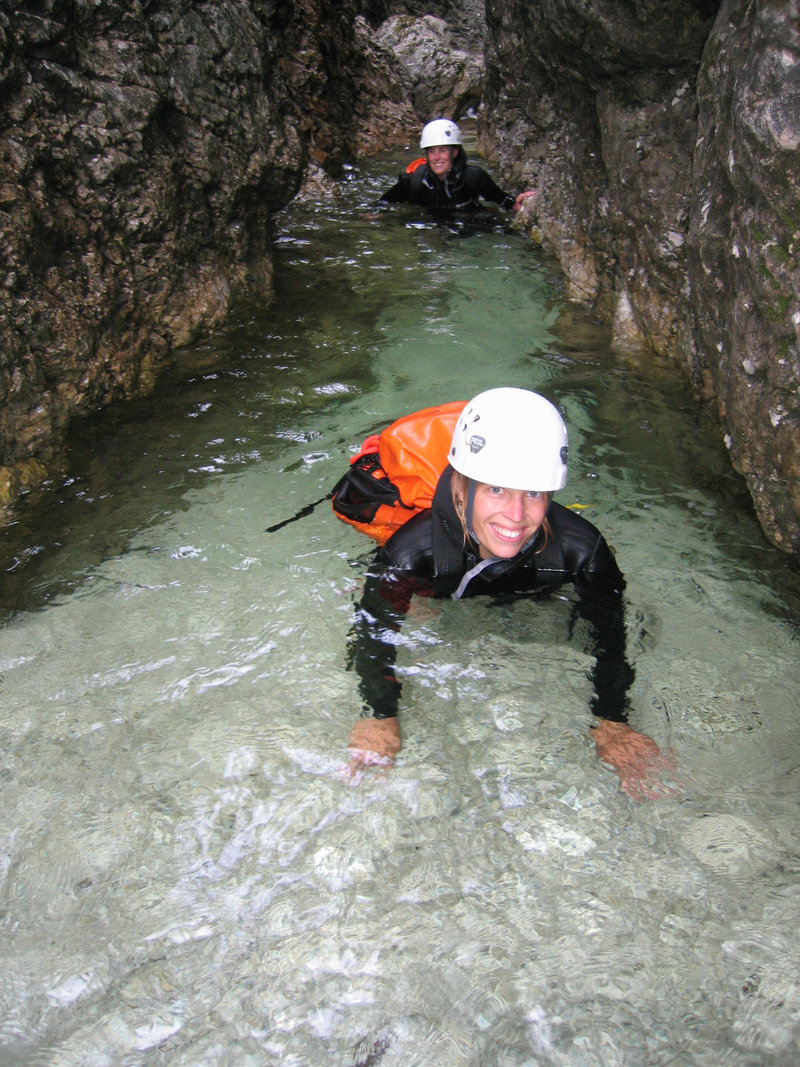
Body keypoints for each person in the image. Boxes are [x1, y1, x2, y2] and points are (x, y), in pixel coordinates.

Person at [346, 387, 675, 801]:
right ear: (462, 488)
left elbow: (610, 638)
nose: (516, 516)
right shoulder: (413, 555)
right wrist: (380, 714)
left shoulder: (581, 550)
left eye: (533, 492)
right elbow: (373, 632)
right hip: (437, 586)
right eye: (497, 489)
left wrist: (611, 719)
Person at [379, 118, 537, 215]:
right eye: (432, 152)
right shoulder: (414, 181)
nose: (437, 158)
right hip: (430, 229)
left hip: (469, 228)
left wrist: (516, 204)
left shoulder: (473, 177)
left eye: (442, 151)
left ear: (454, 152)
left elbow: (502, 200)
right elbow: (381, 204)